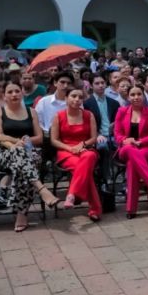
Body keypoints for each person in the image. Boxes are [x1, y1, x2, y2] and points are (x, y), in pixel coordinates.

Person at [0, 82, 59, 232]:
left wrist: (24, 142)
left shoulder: (31, 112)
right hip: (4, 153)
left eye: (17, 91)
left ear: (22, 93)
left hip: (30, 152)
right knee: (22, 157)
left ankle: (21, 214)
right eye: (10, 92)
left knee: (22, 166)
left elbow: (39, 138)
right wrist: (16, 143)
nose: (14, 94)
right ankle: (40, 189)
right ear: (4, 96)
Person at [51, 87, 101, 221]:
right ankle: (95, 209)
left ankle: (72, 194)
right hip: (66, 151)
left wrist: (82, 145)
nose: (77, 99)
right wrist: (69, 148)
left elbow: (93, 138)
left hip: (85, 149)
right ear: (66, 98)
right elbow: (54, 140)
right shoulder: (58, 116)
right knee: (85, 171)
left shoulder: (88, 115)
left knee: (89, 156)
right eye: (73, 96)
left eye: (80, 97)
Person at [114, 86, 148, 219]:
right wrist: (126, 140)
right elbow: (117, 133)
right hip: (126, 148)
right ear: (128, 97)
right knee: (129, 150)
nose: (136, 97)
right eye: (133, 94)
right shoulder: (121, 111)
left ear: (143, 96)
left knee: (132, 164)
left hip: (146, 147)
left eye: (139, 94)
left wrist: (139, 142)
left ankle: (131, 209)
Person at [83, 74, 121, 188]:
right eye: (97, 83)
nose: (100, 85)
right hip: (98, 135)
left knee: (125, 146)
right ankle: (105, 178)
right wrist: (97, 135)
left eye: (102, 83)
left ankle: (125, 178)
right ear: (91, 85)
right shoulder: (87, 104)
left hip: (114, 134)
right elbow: (86, 125)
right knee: (103, 146)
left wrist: (115, 128)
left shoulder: (114, 103)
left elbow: (119, 122)